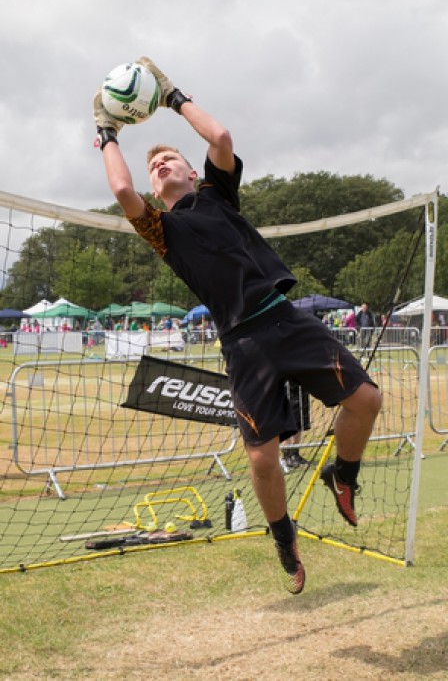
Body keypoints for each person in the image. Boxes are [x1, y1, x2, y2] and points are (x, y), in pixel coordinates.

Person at [93, 56, 382, 595]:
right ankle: (283, 537)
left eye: (170, 159)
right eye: (155, 166)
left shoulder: (216, 194)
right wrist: (107, 132)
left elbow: (221, 136)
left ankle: (342, 475)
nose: (161, 165)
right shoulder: (160, 229)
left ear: (192, 172)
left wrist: (173, 97)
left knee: (367, 400)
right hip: (242, 344)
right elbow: (122, 191)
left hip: (282, 317)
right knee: (262, 458)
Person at [282, 381, 310, 468]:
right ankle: (287, 455)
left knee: (299, 422)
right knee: (288, 422)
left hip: (301, 386)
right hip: (287, 387)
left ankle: (295, 454)